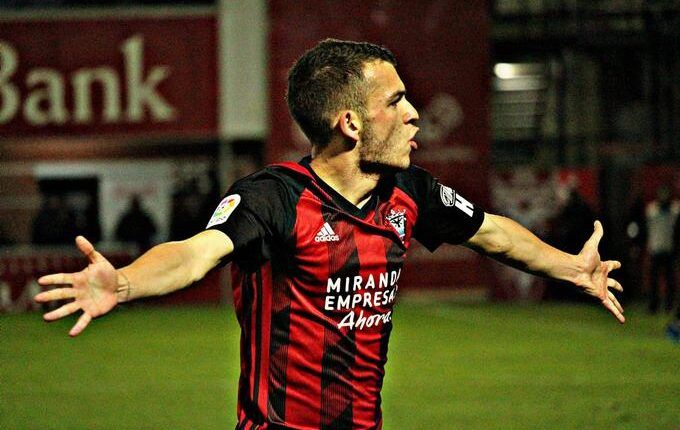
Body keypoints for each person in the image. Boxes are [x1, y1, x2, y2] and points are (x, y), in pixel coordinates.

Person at [35, 39, 625, 429]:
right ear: (349, 122)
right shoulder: (275, 197)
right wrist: (127, 284)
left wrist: (572, 268)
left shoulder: (409, 192)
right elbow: (196, 253)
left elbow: (492, 232)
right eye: (396, 101)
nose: (416, 114)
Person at [644, 184, 679, 314]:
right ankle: (653, 306)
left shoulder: (675, 210)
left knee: (670, 281)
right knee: (654, 281)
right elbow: (646, 229)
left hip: (669, 249)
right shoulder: (652, 210)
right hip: (655, 249)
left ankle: (669, 305)